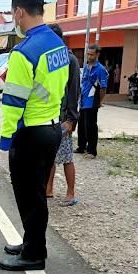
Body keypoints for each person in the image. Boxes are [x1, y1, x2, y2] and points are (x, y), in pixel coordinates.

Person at [0, 0, 69, 271]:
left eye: (14, 13)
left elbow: (12, 104)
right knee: (36, 193)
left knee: (29, 197)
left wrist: (4, 146)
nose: (14, 19)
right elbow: (60, 87)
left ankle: (33, 254)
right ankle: (32, 243)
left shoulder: (23, 52)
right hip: (52, 129)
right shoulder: (58, 44)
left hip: (31, 134)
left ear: (19, 11)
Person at [46, 23, 80, 207]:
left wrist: (71, 119)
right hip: (51, 116)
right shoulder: (51, 59)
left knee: (66, 157)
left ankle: (70, 193)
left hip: (65, 117)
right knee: (51, 156)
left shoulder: (70, 60)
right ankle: (48, 189)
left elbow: (74, 91)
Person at [76, 43, 107, 159]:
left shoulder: (100, 69)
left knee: (91, 126)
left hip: (92, 101)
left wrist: (99, 101)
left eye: (91, 55)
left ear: (97, 55)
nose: (89, 57)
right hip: (83, 101)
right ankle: (81, 146)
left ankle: (92, 151)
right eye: (88, 54)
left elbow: (103, 88)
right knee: (82, 125)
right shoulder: (86, 68)